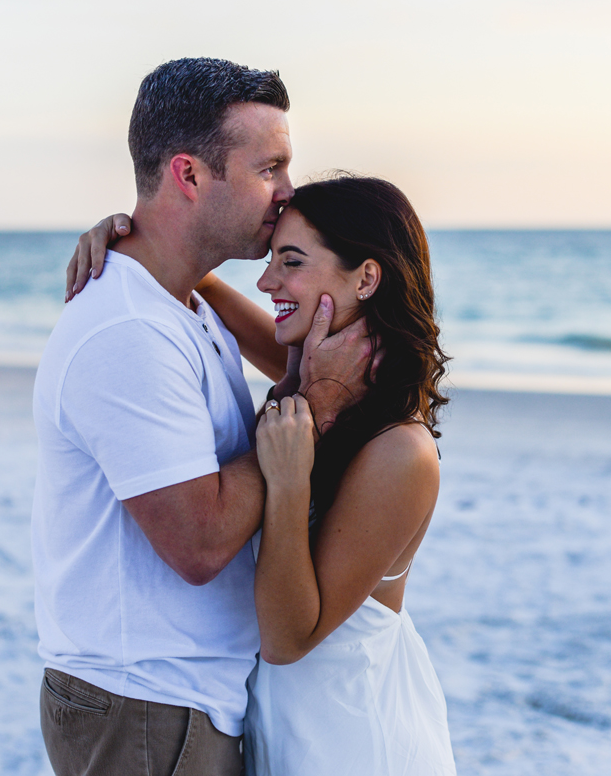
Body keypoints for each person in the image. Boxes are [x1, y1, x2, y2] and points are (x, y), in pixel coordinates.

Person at [32, 58, 372, 776]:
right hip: (146, 705)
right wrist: (312, 405)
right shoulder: (127, 328)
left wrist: (181, 258)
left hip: (180, 700)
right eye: (269, 168)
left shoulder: (186, 303)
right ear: (189, 175)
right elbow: (201, 542)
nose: (287, 193)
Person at [70, 175, 457, 775]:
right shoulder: (321, 387)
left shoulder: (399, 452)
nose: (268, 279)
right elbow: (219, 298)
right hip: (286, 739)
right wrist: (138, 243)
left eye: (292, 262)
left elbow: (286, 638)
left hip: (355, 744)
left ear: (367, 277)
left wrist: (291, 479)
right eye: (273, 258)